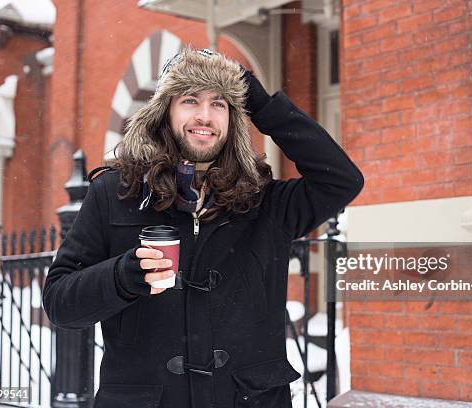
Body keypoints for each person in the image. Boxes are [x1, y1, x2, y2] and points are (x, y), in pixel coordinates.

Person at [42, 46, 363, 408]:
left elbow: (342, 180)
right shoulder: (115, 193)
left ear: (233, 118)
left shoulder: (265, 201)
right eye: (191, 100)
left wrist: (262, 104)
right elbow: (60, 303)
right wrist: (121, 276)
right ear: (165, 111)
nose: (205, 116)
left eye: (219, 103)